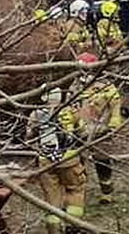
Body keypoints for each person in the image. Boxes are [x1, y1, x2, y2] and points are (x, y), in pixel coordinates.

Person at [27, 87, 87, 233]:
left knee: (51, 198)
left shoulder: (36, 114)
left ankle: (54, 230)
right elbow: (83, 133)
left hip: (46, 163)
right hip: (69, 160)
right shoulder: (71, 111)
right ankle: (72, 226)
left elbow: (29, 138)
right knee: (75, 190)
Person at [73, 53, 124, 205]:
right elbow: (70, 107)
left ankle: (106, 192)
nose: (83, 73)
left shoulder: (106, 87)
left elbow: (116, 106)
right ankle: (78, 193)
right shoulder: (75, 86)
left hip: (101, 132)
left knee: (102, 162)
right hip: (80, 132)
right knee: (78, 164)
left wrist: (114, 124)